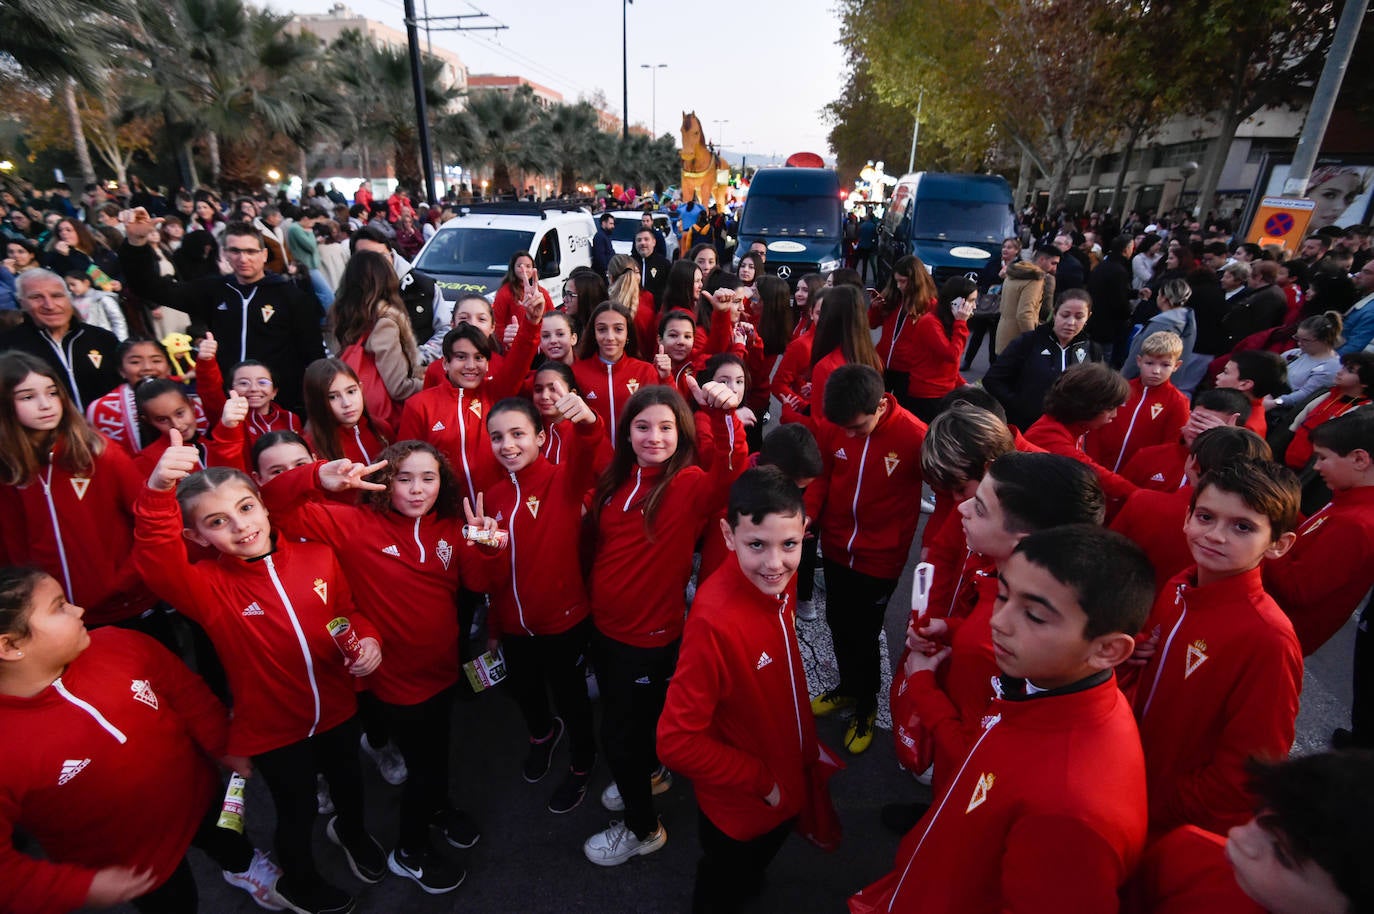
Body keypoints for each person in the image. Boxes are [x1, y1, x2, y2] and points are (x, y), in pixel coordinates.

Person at [132, 441, 387, 914]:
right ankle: (301, 883)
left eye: (246, 507)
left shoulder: (319, 557)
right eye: (217, 522)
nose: (240, 525)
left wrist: (367, 640)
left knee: (350, 786)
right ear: (199, 538)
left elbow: (348, 614)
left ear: (265, 506)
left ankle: (352, 832)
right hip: (273, 729)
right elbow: (155, 560)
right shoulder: (207, 587)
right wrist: (156, 492)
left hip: (339, 709)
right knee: (297, 812)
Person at [852, 525, 1155, 913]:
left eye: (1033, 615)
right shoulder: (1043, 683)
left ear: (1108, 650)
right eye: (1003, 595)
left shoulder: (1072, 811)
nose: (999, 621)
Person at [261, 443, 505, 895]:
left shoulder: (452, 528)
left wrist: (486, 544)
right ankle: (409, 852)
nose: (417, 489)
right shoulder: (353, 524)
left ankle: (437, 808)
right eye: (404, 478)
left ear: (443, 482)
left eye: (428, 478)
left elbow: (476, 582)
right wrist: (317, 476)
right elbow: (270, 506)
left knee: (438, 753)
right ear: (384, 482)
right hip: (395, 681)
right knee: (424, 767)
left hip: (443, 670)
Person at [0, 567, 285, 914]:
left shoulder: (120, 643)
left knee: (228, 839)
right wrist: (80, 887)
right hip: (133, 863)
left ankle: (244, 867)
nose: (79, 610)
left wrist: (223, 746)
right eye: (59, 606)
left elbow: (187, 694)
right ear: (11, 645)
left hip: (198, 796)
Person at [581, 380, 747, 867]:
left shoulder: (689, 484)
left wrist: (723, 416)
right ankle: (652, 771)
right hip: (606, 629)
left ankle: (642, 829)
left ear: (683, 433)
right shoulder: (618, 479)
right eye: (642, 426)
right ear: (627, 432)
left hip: (649, 640)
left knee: (617, 736)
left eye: (666, 427)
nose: (654, 436)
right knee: (631, 720)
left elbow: (732, 472)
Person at [657, 467, 821, 914]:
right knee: (723, 883)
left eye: (789, 545)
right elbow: (675, 742)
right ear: (728, 535)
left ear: (805, 532)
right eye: (756, 545)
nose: (775, 563)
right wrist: (760, 780)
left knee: (751, 872)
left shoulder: (774, 585)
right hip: (744, 806)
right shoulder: (713, 622)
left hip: (782, 776)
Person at [1125, 459, 1302, 837]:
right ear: (1187, 517)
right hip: (1126, 778)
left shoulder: (1269, 639)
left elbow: (1246, 774)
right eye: (1205, 517)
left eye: (1243, 527)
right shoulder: (1179, 586)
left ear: (1278, 544)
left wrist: (1158, 809)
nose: (1215, 536)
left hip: (1162, 820)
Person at [483, 394, 602, 813]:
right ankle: (542, 736)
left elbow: (589, 448)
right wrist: (494, 628)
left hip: (565, 623)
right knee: (526, 692)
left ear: (539, 436)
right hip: (515, 628)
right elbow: (492, 576)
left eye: (518, 434)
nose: (508, 445)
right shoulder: (490, 498)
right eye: (497, 437)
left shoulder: (562, 480)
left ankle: (583, 762)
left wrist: (587, 424)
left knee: (571, 698)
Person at [805, 365, 928, 754]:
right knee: (838, 623)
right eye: (845, 429)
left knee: (865, 632)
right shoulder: (835, 424)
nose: (851, 434)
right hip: (838, 547)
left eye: (858, 427)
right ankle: (846, 687)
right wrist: (810, 513)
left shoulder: (914, 435)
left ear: (880, 404)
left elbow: (952, 485)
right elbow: (822, 473)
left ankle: (867, 704)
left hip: (882, 559)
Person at [119, 211, 325, 415]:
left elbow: (313, 356)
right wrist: (136, 242)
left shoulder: (291, 296)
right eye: (235, 251)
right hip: (228, 404)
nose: (243, 258)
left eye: (251, 251)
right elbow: (149, 288)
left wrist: (311, 409)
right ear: (225, 253)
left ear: (264, 255)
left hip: (279, 405)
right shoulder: (214, 290)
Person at [1261, 410, 1374, 658]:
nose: (1318, 466)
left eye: (1323, 457)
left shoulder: (1357, 524)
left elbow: (1298, 589)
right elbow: (1310, 534)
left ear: (1359, 459)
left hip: (1272, 636)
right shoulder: (1348, 499)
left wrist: (1265, 535)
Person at [0, 268, 121, 412]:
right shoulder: (7, 347)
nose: (49, 305)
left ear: (69, 298)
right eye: (36, 297)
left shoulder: (102, 339)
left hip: (108, 430)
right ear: (22, 303)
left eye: (57, 296)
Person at [328, 250, 425, 429]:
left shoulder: (340, 315)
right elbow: (398, 387)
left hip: (352, 412)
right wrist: (433, 381)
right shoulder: (384, 322)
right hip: (383, 421)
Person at [983, 288, 1102, 431]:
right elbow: (992, 379)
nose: (1071, 322)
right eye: (1065, 315)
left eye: (1079, 317)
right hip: (1026, 429)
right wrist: (1019, 405)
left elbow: (1098, 389)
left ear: (1088, 317)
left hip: (1068, 432)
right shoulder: (1029, 342)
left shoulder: (1092, 350)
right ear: (1055, 312)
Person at [1086, 331, 1191, 473]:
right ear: (1139, 361)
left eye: (1165, 365)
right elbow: (1095, 428)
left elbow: (1169, 448)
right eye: (1149, 363)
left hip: (1137, 477)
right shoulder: (1119, 389)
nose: (1156, 370)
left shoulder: (1178, 402)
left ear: (1176, 366)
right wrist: (1091, 463)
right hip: (1097, 468)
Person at [87, 337, 207, 455]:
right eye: (135, 362)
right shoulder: (102, 410)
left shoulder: (189, 403)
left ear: (169, 367)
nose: (147, 367)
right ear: (121, 370)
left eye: (156, 361)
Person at [571, 301, 660, 443]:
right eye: (601, 329)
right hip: (594, 461)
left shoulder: (645, 371)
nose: (610, 337)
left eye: (618, 329)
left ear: (628, 333)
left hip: (633, 459)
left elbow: (658, 417)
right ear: (593, 333)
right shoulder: (576, 372)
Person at [868, 254, 938, 402]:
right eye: (897, 281)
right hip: (882, 364)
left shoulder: (930, 306)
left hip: (908, 370)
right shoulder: (893, 298)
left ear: (915, 281)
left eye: (903, 281)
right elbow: (872, 323)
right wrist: (874, 308)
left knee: (902, 409)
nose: (899, 286)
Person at [906, 276, 976, 421]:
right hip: (927, 395)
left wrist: (961, 383)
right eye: (971, 301)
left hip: (944, 392)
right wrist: (961, 323)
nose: (974, 306)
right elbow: (951, 355)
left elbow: (945, 365)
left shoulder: (950, 322)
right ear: (955, 302)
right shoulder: (930, 322)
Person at [302, 358, 389, 465]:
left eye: (351, 391)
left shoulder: (381, 428)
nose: (347, 403)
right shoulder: (310, 447)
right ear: (316, 402)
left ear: (360, 388)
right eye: (332, 397)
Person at [1122, 278, 1197, 382]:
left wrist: (1123, 379)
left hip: (1144, 382)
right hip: (1169, 382)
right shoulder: (1188, 322)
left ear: (1163, 298)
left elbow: (1137, 356)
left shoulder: (1160, 325)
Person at [1267, 311, 1344, 412]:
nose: (1299, 343)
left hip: (1283, 410)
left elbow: (1305, 394)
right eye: (1297, 338)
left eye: (1305, 340)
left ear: (1325, 340)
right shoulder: (1296, 353)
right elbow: (1270, 369)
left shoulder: (1330, 367)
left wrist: (1275, 403)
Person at [993, 244, 1059, 354]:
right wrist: (1033, 339)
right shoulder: (1035, 279)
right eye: (1053, 263)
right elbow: (1024, 314)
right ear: (1042, 259)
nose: (1055, 268)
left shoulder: (1016, 272)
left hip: (1003, 334)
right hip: (1019, 338)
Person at [1215, 349, 1288, 438]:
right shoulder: (1231, 405)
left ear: (1245, 384)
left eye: (1226, 372)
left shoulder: (1246, 428)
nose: (1218, 376)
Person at [633, 228, 672, 307]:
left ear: (654, 242)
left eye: (646, 239)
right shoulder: (629, 263)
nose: (642, 243)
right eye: (639, 240)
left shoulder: (664, 264)